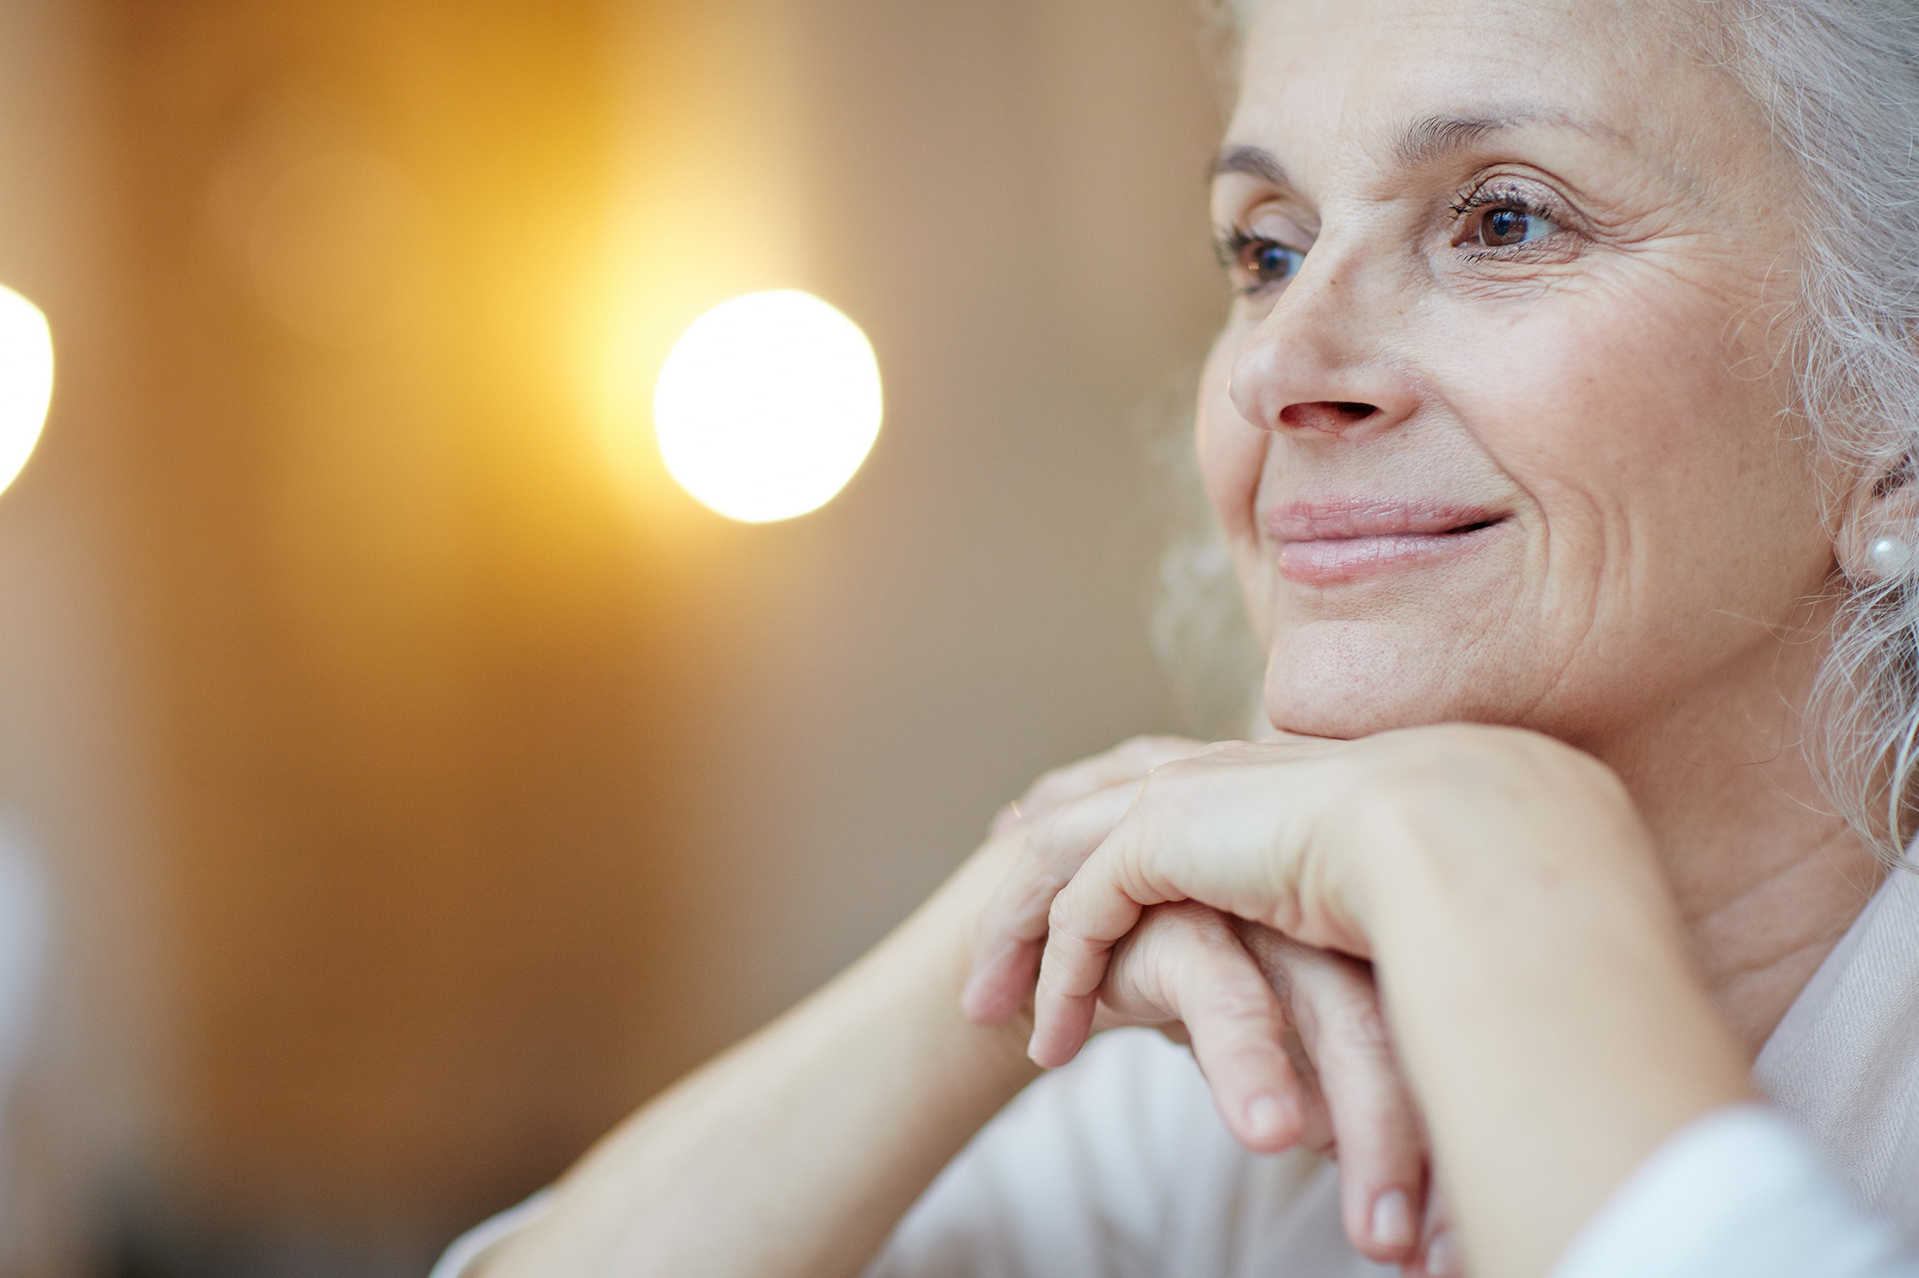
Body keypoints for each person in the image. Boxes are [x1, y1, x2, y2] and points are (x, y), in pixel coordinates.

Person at [435, 0, 1919, 1273]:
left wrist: (1493, 868)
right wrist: (1018, 904)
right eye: (1266, 250)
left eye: (1504, 219)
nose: (1278, 362)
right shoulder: (1247, 1065)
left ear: (1896, 427)